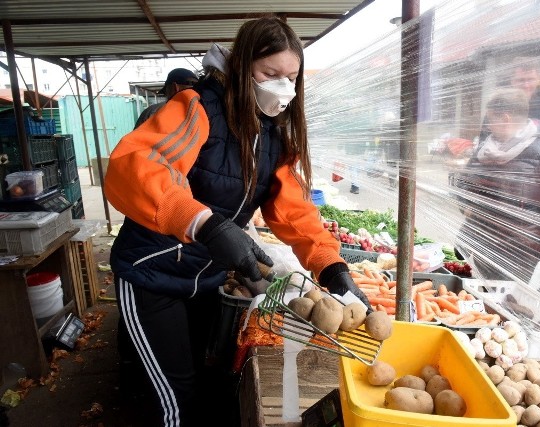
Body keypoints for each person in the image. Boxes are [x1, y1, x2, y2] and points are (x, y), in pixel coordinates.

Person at [104, 17, 371, 426]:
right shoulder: (196, 108)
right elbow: (135, 167)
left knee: (204, 375)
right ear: (243, 65)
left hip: (206, 278)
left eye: (292, 76)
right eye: (270, 73)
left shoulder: (274, 133)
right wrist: (207, 224)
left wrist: (330, 266)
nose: (283, 86)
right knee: (176, 397)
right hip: (151, 275)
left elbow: (293, 207)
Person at [455, 88, 540, 283]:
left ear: (505, 118)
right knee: (484, 304)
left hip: (522, 256)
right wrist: (466, 204)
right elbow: (464, 188)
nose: (489, 125)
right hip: (481, 246)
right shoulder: (484, 151)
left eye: (491, 119)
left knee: (514, 308)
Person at [478, 57, 540, 142]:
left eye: (530, 79)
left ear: (538, 79)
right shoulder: (497, 107)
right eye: (521, 80)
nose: (526, 85)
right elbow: (483, 144)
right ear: (512, 81)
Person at [134, 67, 198, 128]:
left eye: (165, 92)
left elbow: (135, 138)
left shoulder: (153, 111)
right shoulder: (203, 112)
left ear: (175, 87)